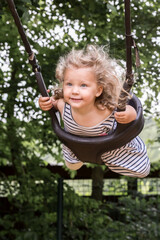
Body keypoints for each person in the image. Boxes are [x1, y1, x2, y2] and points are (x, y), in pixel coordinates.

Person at [39, 45, 150, 178]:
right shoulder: (64, 105)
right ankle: (80, 157)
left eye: (83, 85)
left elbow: (132, 111)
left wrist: (129, 115)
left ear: (98, 90)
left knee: (143, 171)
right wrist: (45, 103)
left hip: (111, 147)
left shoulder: (106, 107)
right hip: (76, 146)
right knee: (72, 166)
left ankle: (112, 161)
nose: (74, 91)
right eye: (69, 84)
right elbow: (52, 103)